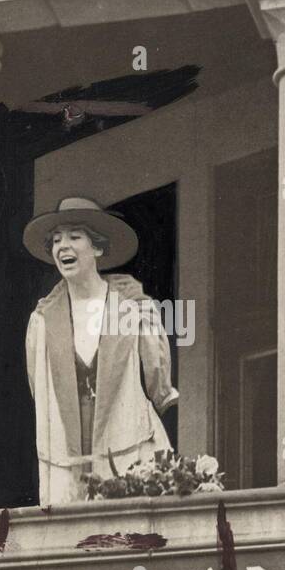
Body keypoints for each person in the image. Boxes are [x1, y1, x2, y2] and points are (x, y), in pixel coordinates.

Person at [23, 196, 178, 506]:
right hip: (65, 457)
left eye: (74, 236)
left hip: (127, 442)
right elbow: (38, 389)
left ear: (97, 248)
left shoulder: (133, 308)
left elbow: (158, 382)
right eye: (56, 240)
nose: (62, 246)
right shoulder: (41, 320)